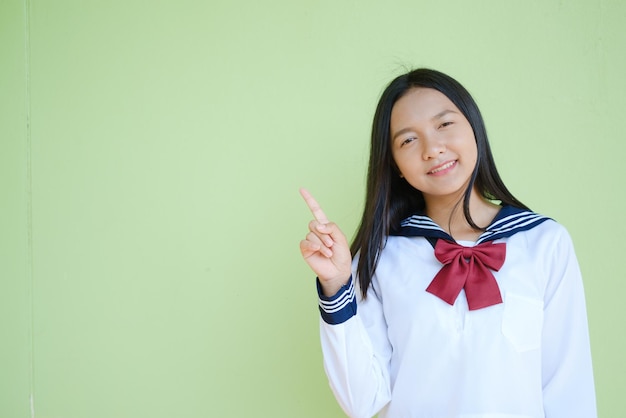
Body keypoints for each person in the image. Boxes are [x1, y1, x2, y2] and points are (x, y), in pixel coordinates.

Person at [299, 68, 596, 418]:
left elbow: (569, 390)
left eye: (444, 124)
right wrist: (336, 286)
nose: (432, 149)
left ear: (474, 127)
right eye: (408, 140)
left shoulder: (545, 243)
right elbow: (363, 402)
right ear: (394, 164)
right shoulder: (380, 256)